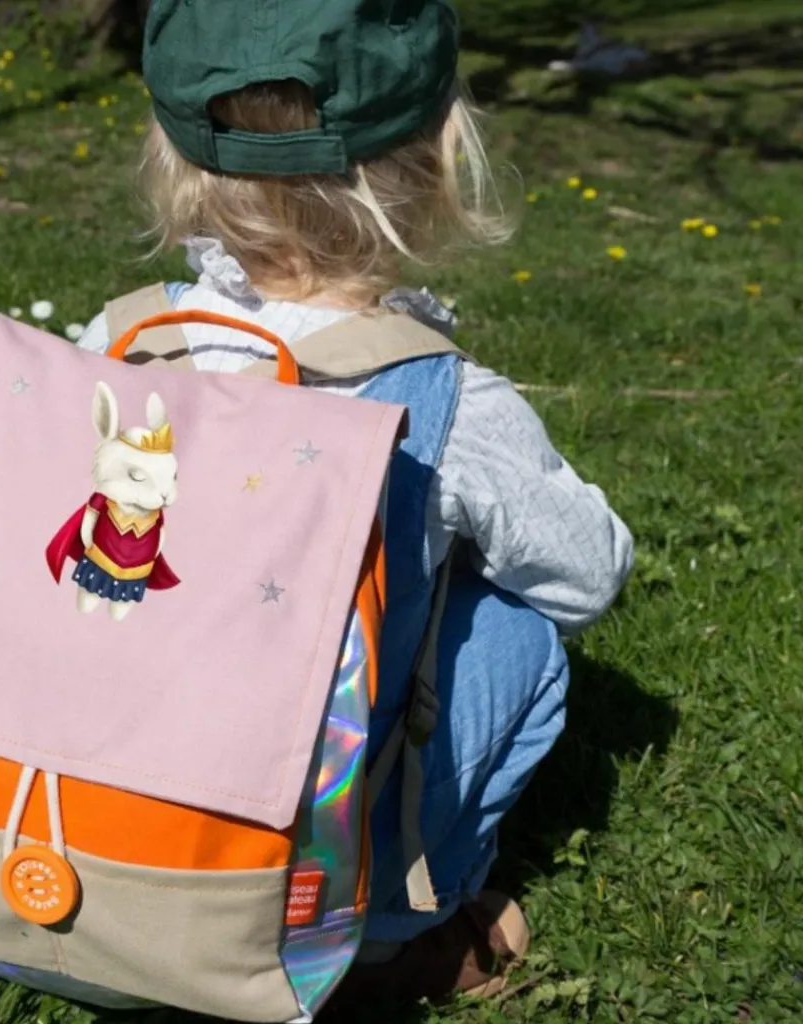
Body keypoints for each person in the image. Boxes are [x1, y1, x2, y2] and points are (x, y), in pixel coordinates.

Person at [77, 0, 634, 1007]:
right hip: (281, 900)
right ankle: (388, 938)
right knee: (516, 632)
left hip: (69, 857)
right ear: (437, 157)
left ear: (175, 153)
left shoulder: (112, 347)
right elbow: (587, 577)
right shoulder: (444, 403)